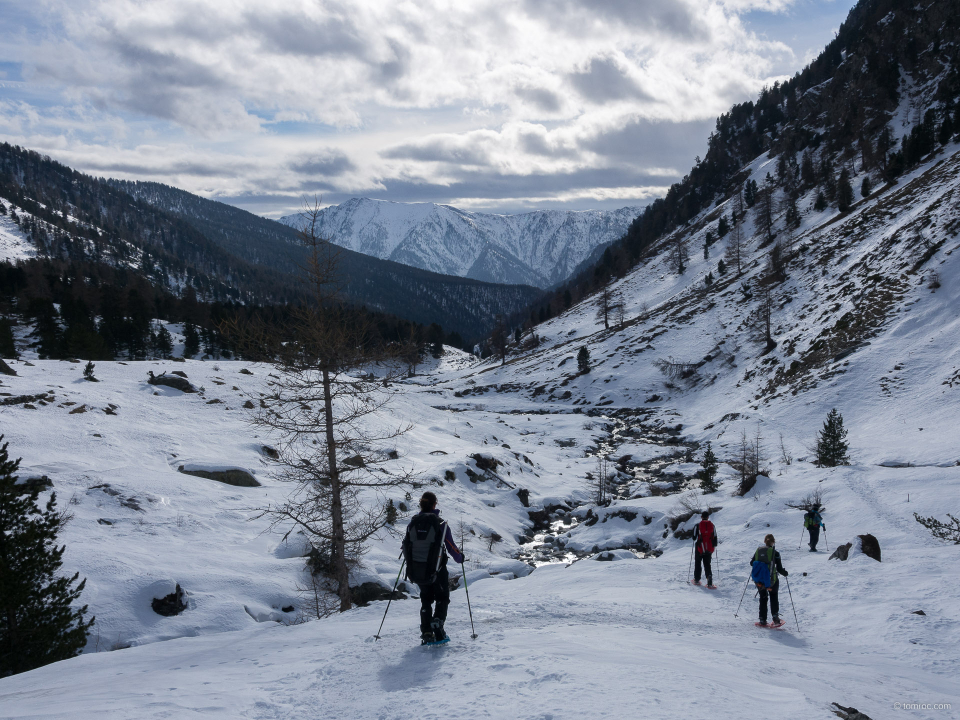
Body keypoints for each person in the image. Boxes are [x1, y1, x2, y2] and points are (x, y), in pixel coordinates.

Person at [402, 491, 464, 644]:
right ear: (435, 504)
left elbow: (406, 545)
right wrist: (460, 557)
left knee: (426, 600)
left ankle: (427, 632)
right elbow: (450, 546)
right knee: (442, 597)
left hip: (418, 569)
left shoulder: (413, 523)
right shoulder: (440, 523)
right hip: (437, 570)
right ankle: (437, 624)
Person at [751, 534, 788, 626]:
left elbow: (752, 563)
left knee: (763, 598)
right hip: (772, 580)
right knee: (774, 596)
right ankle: (775, 618)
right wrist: (785, 573)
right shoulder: (775, 553)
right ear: (773, 541)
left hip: (760, 580)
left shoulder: (758, 551)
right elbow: (779, 568)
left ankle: (762, 619)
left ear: (765, 541)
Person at [692, 511, 718, 588]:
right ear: (708, 517)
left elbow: (694, 537)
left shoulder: (697, 525)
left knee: (698, 562)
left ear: (701, 517)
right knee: (707, 564)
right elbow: (715, 538)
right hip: (709, 548)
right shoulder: (712, 525)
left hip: (700, 547)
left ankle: (697, 579)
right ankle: (709, 580)